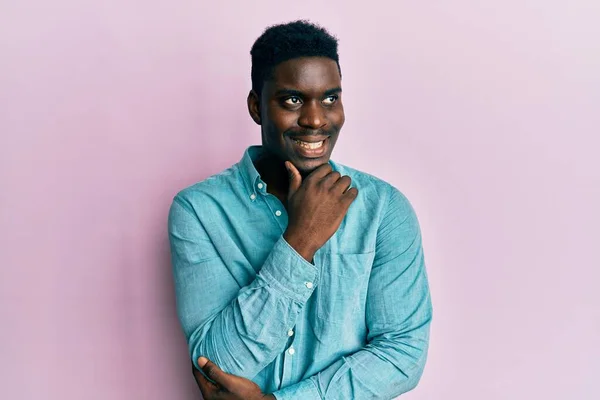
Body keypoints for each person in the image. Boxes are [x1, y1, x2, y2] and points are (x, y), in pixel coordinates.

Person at [168, 20, 433, 400]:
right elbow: (216, 365)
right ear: (256, 107)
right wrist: (300, 242)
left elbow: (403, 353)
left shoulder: (384, 209)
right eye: (292, 100)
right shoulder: (199, 212)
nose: (315, 119)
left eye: (330, 98)